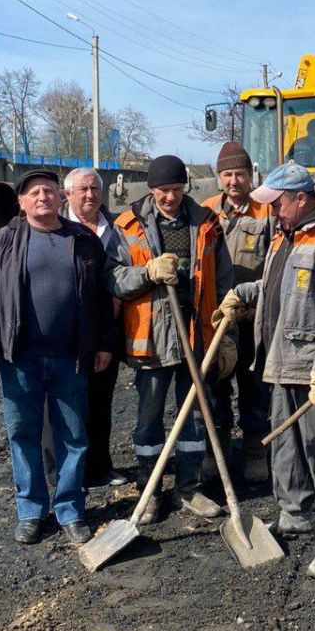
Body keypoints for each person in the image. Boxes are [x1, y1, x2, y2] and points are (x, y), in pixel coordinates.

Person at [214, 161, 315, 578]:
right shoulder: (287, 234)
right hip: (281, 357)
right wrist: (241, 293)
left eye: (278, 203)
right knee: (284, 444)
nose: (272, 211)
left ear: (301, 198)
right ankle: (296, 511)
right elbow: (273, 284)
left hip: (314, 365)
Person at [0, 169, 114, 546]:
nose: (42, 197)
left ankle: (70, 509)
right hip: (20, 358)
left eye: (48, 191)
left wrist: (103, 344)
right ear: (21, 202)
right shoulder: (5, 242)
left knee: (73, 435)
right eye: (33, 193)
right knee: (23, 434)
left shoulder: (82, 240)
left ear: (60, 198)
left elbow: (100, 300)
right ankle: (31, 510)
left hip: (70, 358)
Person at [107, 154, 237, 524]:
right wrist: (146, 272)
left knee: (195, 417)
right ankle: (150, 491)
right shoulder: (128, 226)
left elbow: (222, 276)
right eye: (163, 190)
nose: (170, 197)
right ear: (152, 189)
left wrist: (227, 319)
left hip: (195, 336)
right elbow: (112, 278)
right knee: (149, 419)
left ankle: (189, 487)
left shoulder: (206, 223)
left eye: (177, 189)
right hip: (152, 340)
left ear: (186, 188)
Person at [202, 140, 274, 481]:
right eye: (227, 174)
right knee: (214, 387)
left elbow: (277, 264)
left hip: (253, 318)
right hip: (215, 320)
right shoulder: (204, 212)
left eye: (240, 174)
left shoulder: (267, 212)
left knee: (254, 386)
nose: (234, 181)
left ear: (251, 176)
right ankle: (217, 454)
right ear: (219, 178)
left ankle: (254, 451)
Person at [60, 167, 126, 489]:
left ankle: (101, 465)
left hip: (106, 329)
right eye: (83, 189)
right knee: (67, 407)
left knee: (101, 401)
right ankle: (70, 474)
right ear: (68, 193)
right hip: (65, 333)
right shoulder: (54, 226)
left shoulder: (117, 228)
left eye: (95, 189)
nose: (90, 195)